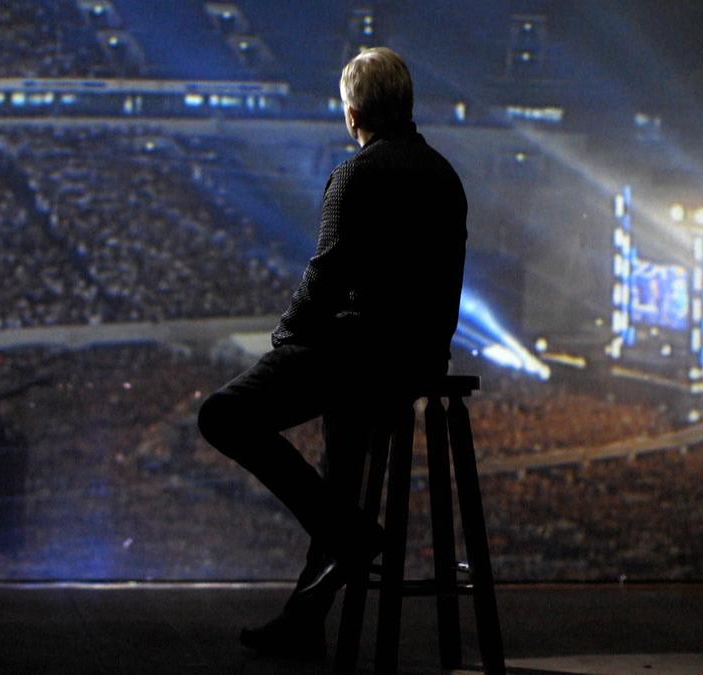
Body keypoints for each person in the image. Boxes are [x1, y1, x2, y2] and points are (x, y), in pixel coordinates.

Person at [196, 47, 467, 660]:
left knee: (224, 415)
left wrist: (286, 336)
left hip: (359, 355)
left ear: (352, 114)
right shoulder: (445, 176)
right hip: (418, 360)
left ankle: (348, 537)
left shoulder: (355, 176)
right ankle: (306, 614)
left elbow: (324, 277)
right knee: (338, 485)